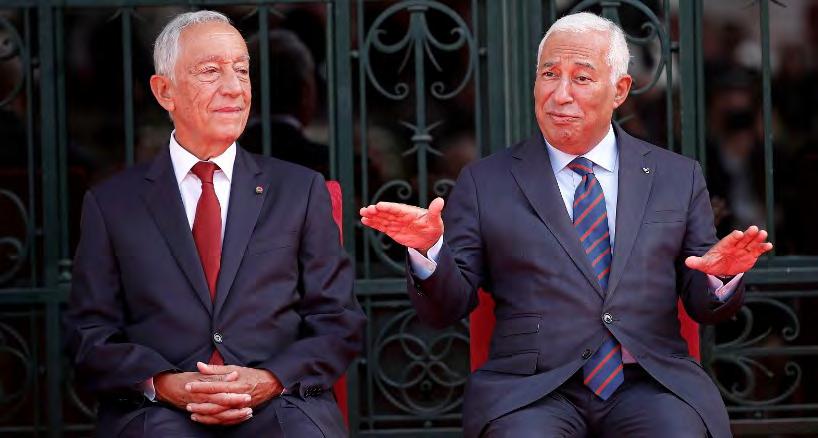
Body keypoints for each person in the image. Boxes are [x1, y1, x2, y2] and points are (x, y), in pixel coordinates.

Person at [360, 12, 772, 438]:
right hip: (532, 389)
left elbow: (703, 303)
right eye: (549, 74)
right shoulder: (486, 182)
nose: (560, 95)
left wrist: (721, 276)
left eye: (582, 78)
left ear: (620, 90)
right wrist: (430, 251)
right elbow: (447, 306)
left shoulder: (676, 177)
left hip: (650, 383)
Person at [63, 11, 365, 437]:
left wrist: (269, 379)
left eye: (241, 71)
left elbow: (339, 322)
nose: (234, 88)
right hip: (158, 412)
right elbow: (87, 335)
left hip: (280, 405)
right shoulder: (112, 204)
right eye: (210, 71)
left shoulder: (299, 190)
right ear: (164, 91)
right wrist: (163, 384)